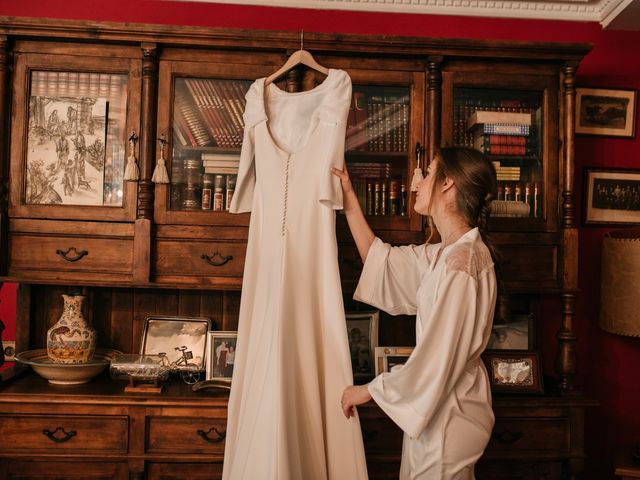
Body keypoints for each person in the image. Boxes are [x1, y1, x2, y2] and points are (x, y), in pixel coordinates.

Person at [333, 147, 498, 479]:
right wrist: (348, 196)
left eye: (427, 172)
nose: (416, 183)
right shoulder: (444, 254)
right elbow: (383, 263)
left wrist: (369, 390)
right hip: (437, 413)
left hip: (449, 415)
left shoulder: (461, 263)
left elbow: (437, 356)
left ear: (448, 183)